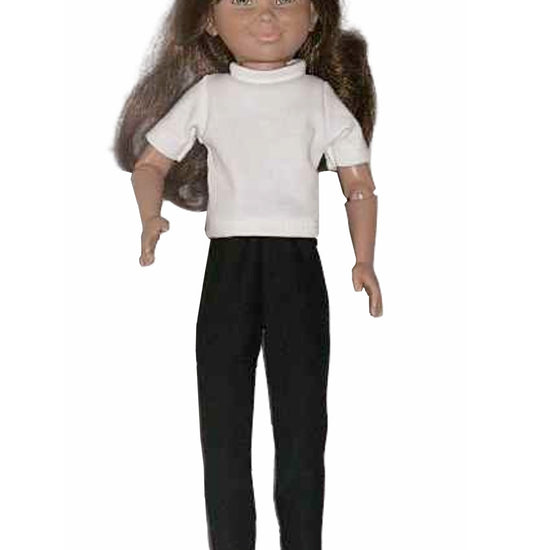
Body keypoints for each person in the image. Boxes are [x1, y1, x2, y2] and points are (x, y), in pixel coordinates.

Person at [113, 1, 383, 549]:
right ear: (210, 20)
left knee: (303, 426)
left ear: (314, 17)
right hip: (228, 269)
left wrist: (364, 259)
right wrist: (150, 216)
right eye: (241, 0)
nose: (265, 15)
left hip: (297, 268)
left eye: (284, 0)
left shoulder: (318, 98)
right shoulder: (210, 95)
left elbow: (359, 186)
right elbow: (151, 164)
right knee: (223, 426)